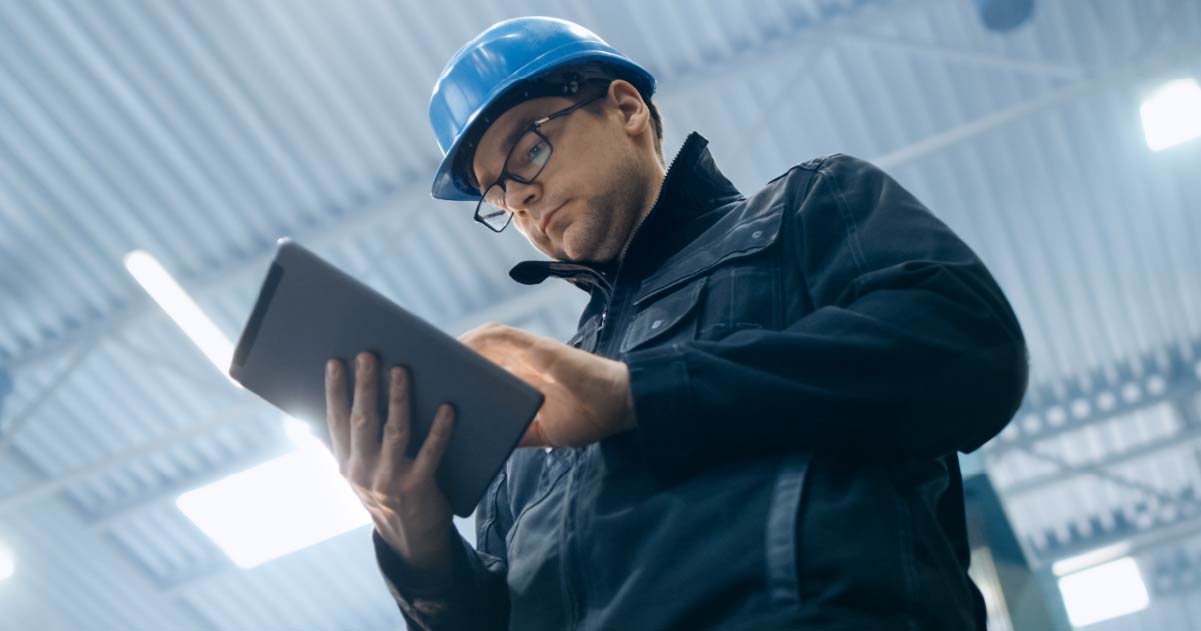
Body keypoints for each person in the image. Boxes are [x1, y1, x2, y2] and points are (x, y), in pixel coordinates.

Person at [323, 16, 1029, 630]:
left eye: (528, 151)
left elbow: (966, 346)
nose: (523, 199)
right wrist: (420, 550)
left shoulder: (806, 211)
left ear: (625, 108)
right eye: (499, 194)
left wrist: (638, 394)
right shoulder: (529, 416)